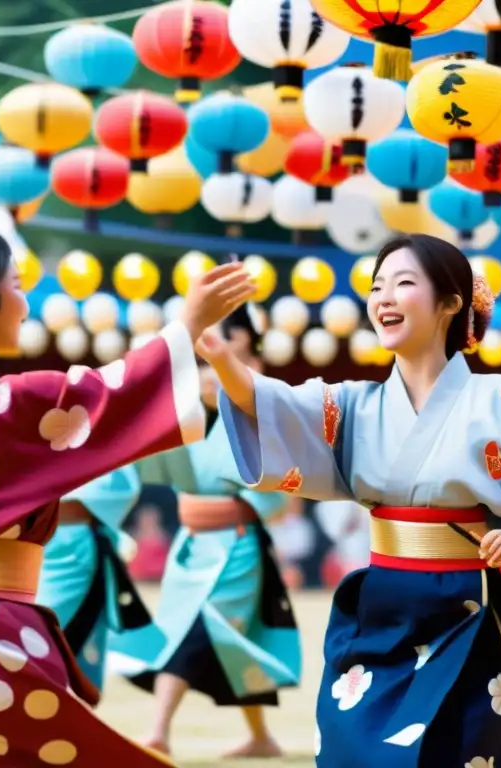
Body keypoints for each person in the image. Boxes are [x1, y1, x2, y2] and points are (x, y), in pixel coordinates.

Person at [204, 233, 501, 767]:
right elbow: (271, 404)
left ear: (451, 303)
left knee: (461, 747)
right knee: (352, 746)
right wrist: (219, 354)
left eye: (404, 283)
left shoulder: (500, 397)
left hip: (468, 605)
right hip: (383, 603)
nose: (383, 297)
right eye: (376, 285)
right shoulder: (354, 403)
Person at [0, 216, 252, 766]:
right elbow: (113, 393)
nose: (26, 304)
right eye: (16, 287)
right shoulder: (15, 406)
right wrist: (188, 323)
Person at [110, 305, 299, 759]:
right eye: (203, 359)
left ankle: (157, 731)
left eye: (222, 357)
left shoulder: (264, 414)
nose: (210, 370)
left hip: (235, 546)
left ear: (252, 360)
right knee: (230, 639)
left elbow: (283, 489)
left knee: (199, 628)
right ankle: (261, 736)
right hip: (191, 545)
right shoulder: (195, 417)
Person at [37, 466, 166, 696]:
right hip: (29, 544)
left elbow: (120, 480)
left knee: (60, 633)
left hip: (76, 545)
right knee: (26, 632)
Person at [128, 506, 172, 583]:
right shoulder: (133, 535)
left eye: (151, 518)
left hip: (158, 576)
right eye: (146, 518)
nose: (148, 521)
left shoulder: (163, 536)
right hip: (138, 576)